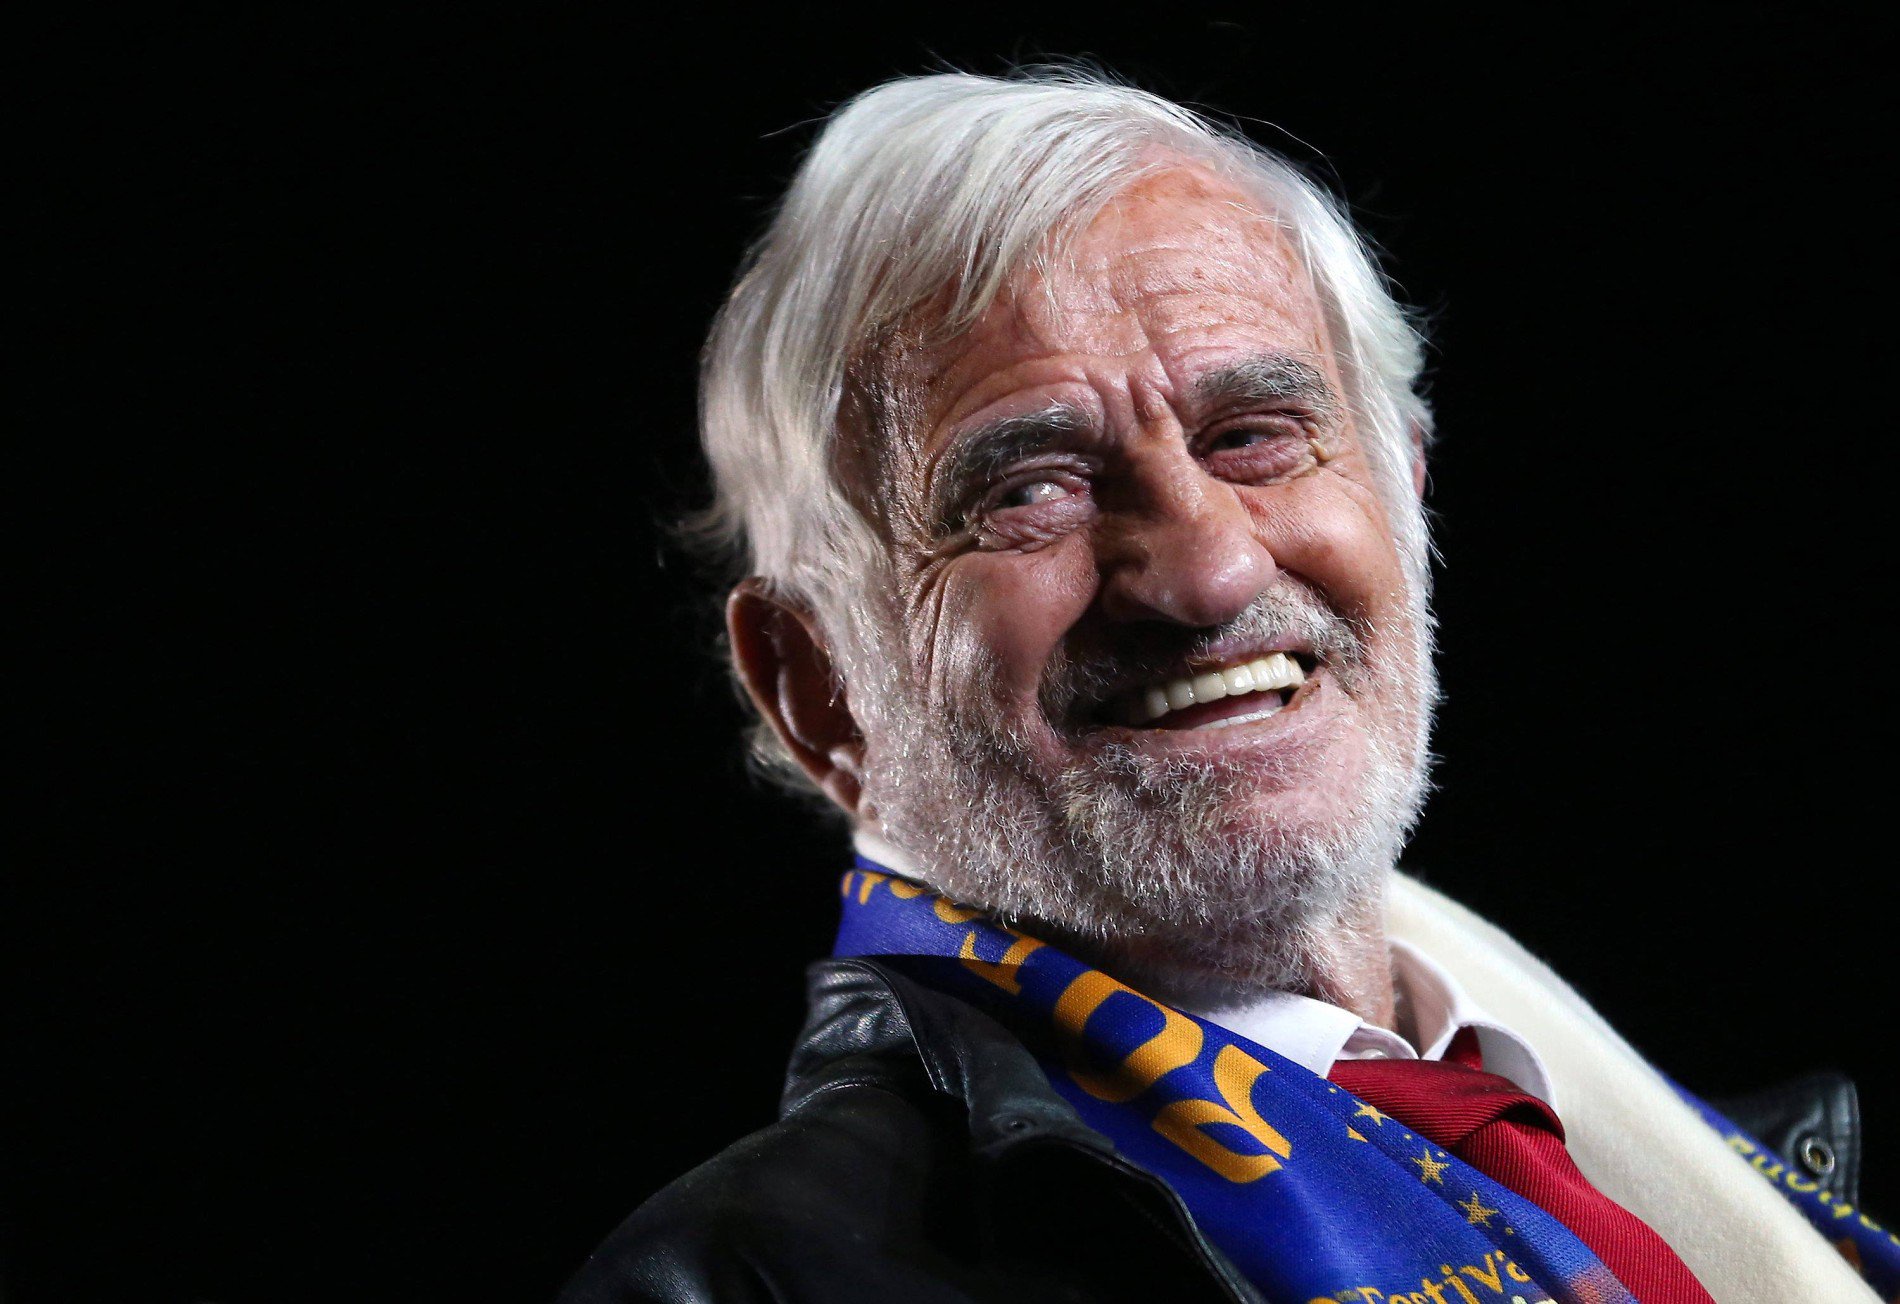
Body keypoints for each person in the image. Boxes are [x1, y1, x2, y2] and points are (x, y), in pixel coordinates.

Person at [561, 69, 1889, 1303]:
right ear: (817, 687)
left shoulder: (1713, 1173)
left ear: (1404, 495)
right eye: (1028, 491)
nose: (1207, 570)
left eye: (1254, 434)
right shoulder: (753, 1281)